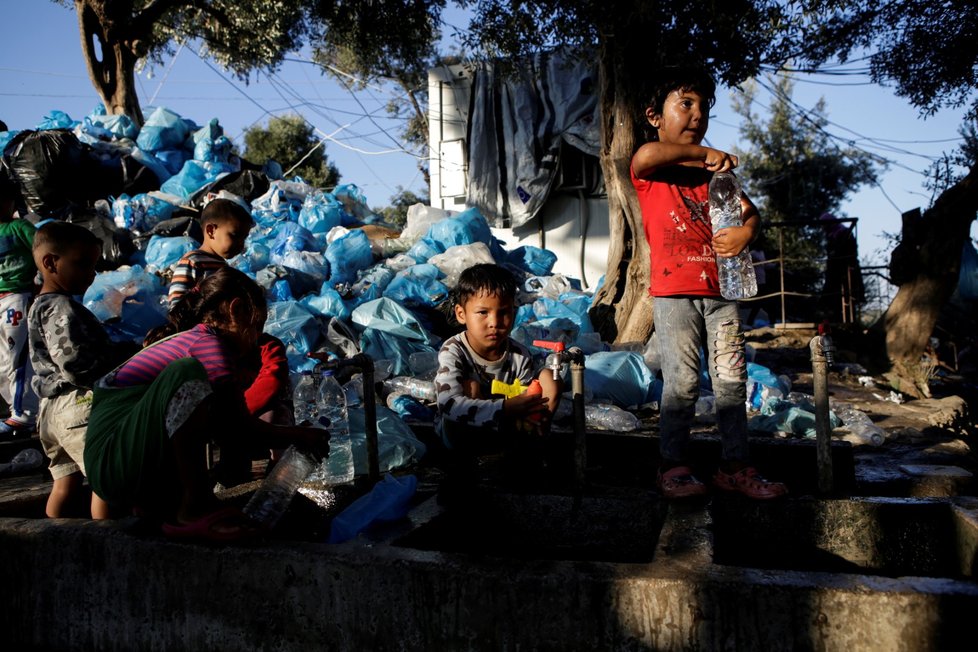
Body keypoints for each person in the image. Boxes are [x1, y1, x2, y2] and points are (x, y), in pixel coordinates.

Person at [631, 65, 787, 500]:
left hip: (722, 294)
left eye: (702, 106)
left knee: (732, 382)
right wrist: (704, 154)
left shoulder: (717, 179)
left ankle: (735, 466)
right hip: (674, 294)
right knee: (681, 384)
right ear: (654, 116)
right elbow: (645, 156)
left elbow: (750, 213)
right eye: (685, 104)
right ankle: (672, 465)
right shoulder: (653, 169)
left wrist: (745, 233)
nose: (697, 114)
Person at [83, 266, 328, 541]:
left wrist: (297, 436)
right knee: (186, 373)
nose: (256, 339)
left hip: (122, 460)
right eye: (257, 326)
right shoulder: (206, 345)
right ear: (236, 311)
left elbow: (228, 425)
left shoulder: (194, 340)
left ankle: (172, 509)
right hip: (113, 461)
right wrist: (298, 435)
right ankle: (194, 508)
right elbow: (236, 424)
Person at [27, 221, 138, 518]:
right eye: (82, 264)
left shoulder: (39, 306)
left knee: (65, 481)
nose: (91, 275)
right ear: (51, 263)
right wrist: (122, 361)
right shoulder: (62, 307)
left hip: (50, 411)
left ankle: (53, 539)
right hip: (77, 404)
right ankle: (108, 538)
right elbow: (76, 363)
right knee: (106, 478)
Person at [434, 263, 562, 492]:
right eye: (483, 312)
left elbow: (525, 396)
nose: (494, 322)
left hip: (504, 431)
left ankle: (528, 453)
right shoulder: (453, 350)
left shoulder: (519, 355)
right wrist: (505, 408)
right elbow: (448, 404)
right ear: (461, 314)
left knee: (548, 378)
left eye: (503, 312)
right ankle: (462, 472)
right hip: (461, 435)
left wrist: (533, 412)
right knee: (470, 388)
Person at [0, 171, 39, 438]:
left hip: (18, 298)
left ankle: (23, 415)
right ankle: (14, 410)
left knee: (17, 358)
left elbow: (44, 252)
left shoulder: (20, 229)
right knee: (3, 360)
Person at [166, 197, 253, 309]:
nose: (241, 244)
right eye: (235, 236)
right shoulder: (192, 262)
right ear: (211, 231)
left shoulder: (223, 266)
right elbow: (176, 305)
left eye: (244, 238)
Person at [818, 212, 864, 323]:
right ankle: (837, 319)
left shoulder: (843, 233)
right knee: (835, 296)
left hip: (845, 269)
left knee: (847, 294)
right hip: (835, 270)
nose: (823, 228)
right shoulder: (832, 234)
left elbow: (849, 251)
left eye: (825, 224)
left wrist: (836, 255)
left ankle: (847, 320)